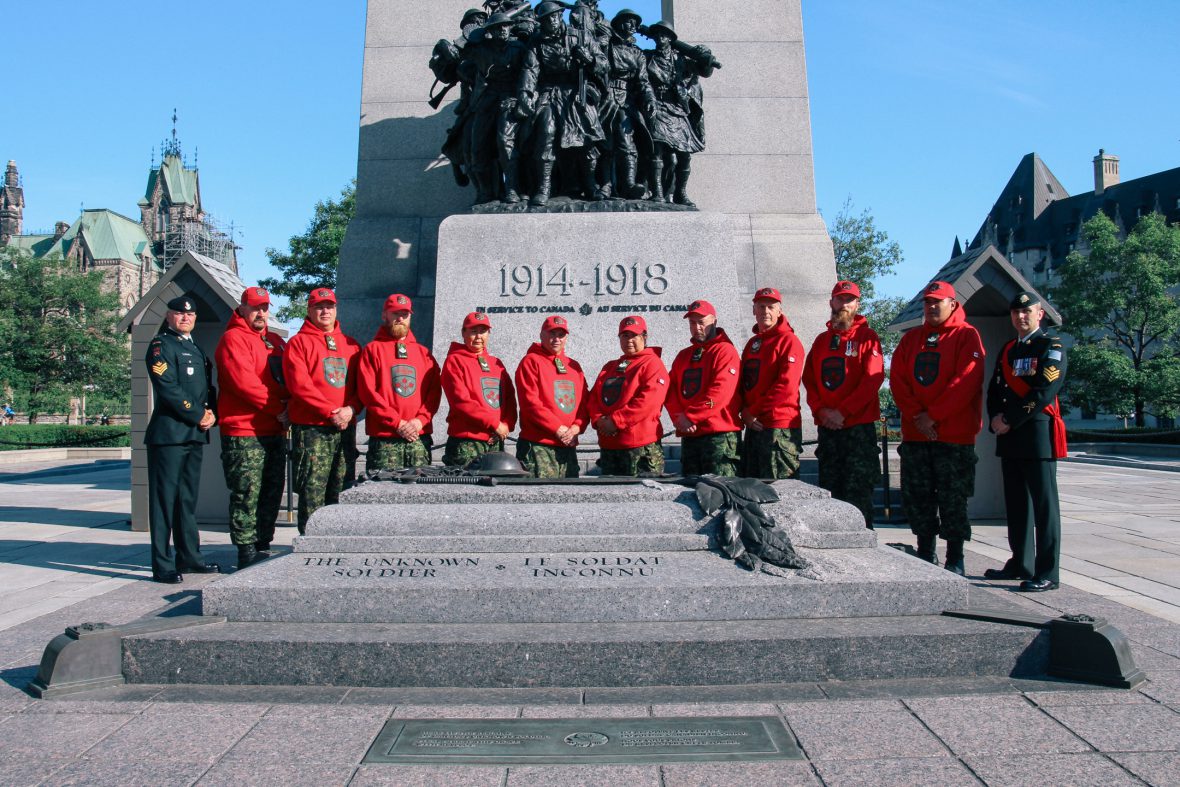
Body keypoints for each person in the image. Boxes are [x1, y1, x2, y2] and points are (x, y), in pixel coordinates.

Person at [891, 281, 985, 575]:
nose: (932, 307)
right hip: (917, 436)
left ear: (953, 304)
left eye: (938, 302)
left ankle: (955, 557)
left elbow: (966, 382)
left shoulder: (967, 336)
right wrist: (919, 416)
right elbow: (898, 381)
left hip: (954, 438)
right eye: (928, 302)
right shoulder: (911, 340)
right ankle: (925, 551)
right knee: (919, 496)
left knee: (952, 499)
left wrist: (933, 416)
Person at [985, 291, 1068, 592]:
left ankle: (1048, 571)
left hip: (1035, 436)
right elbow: (995, 390)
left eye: (1027, 312)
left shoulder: (1051, 346)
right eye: (1016, 313)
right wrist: (995, 418)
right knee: (1017, 505)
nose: (1021, 317)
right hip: (1010, 438)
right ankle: (1021, 562)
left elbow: (1043, 390)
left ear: (1039, 314)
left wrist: (1009, 419)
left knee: (1045, 508)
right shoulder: (1008, 349)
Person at [144, 294, 219, 583]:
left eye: (190, 315)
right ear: (169, 316)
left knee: (186, 500)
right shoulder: (161, 346)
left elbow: (206, 389)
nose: (185, 318)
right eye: (179, 313)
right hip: (169, 435)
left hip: (194, 434)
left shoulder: (196, 349)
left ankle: (189, 558)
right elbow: (168, 389)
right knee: (164, 502)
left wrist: (212, 414)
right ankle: (162, 564)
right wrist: (198, 414)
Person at [214, 286, 289, 570]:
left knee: (272, 492)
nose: (261, 313)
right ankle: (245, 553)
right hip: (244, 432)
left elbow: (288, 380)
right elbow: (244, 385)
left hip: (274, 430)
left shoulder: (274, 341)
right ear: (242, 309)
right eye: (255, 307)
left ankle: (263, 547)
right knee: (247, 494)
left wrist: (292, 406)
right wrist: (279, 409)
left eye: (265, 308)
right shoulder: (233, 339)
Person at [802, 281, 885, 527]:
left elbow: (872, 380)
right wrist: (821, 411)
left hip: (857, 430)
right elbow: (809, 380)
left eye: (849, 300)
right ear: (831, 303)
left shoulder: (868, 338)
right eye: (840, 299)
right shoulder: (820, 341)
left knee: (858, 495)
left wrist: (843, 412)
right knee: (831, 491)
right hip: (828, 431)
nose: (844, 305)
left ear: (857, 304)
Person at [282, 288, 363, 534]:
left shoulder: (351, 345)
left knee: (341, 488)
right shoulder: (298, 343)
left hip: (344, 428)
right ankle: (310, 543)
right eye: (319, 307)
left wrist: (351, 409)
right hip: (313, 431)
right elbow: (300, 385)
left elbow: (361, 386)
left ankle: (337, 542)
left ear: (336, 309)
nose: (325, 311)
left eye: (329, 306)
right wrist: (331, 412)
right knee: (312, 490)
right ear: (309, 310)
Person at [517, 1, 608, 206]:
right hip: (550, 92)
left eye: (556, 16)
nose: (553, 20)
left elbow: (603, 64)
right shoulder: (536, 42)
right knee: (545, 132)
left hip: (577, 91)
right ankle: (544, 188)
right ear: (542, 22)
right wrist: (525, 92)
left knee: (587, 138)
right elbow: (530, 70)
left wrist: (589, 60)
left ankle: (591, 184)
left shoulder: (581, 36)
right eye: (548, 18)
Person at [357, 294, 441, 472]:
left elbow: (433, 392)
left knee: (422, 496)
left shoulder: (424, 353)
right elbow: (368, 393)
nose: (400, 318)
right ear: (384, 315)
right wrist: (397, 423)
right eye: (395, 313)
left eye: (405, 314)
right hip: (385, 440)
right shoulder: (372, 350)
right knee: (381, 495)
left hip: (418, 439)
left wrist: (421, 421)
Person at [642, 20, 715, 206]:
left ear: (671, 39)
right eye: (658, 34)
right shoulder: (647, 57)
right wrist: (649, 99)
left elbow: (704, 71)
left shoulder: (680, 60)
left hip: (677, 109)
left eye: (665, 35)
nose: (661, 38)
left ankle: (680, 193)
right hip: (657, 106)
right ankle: (657, 192)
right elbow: (643, 81)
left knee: (684, 156)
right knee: (656, 150)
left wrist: (705, 56)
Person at [665, 299, 742, 476]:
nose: (697, 327)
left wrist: (691, 416)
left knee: (722, 493)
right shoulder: (683, 355)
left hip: (719, 437)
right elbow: (670, 391)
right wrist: (679, 418)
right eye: (692, 323)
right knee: (689, 492)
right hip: (690, 436)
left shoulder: (725, 351)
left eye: (701, 322)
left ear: (714, 321)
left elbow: (721, 391)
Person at [459, 12, 530, 203]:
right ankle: (486, 192)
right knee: (477, 147)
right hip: (487, 99)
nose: (503, 30)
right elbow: (458, 52)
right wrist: (475, 34)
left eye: (506, 26)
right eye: (499, 27)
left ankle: (512, 189)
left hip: (510, 96)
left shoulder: (518, 48)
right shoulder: (480, 49)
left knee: (505, 143)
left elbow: (531, 72)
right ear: (490, 31)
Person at [588, 315, 668, 475]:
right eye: (625, 336)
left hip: (640, 449)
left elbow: (648, 402)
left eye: (634, 335)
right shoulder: (610, 366)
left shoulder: (653, 364)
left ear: (644, 337)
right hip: (610, 447)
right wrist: (599, 420)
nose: (629, 340)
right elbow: (593, 397)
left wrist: (616, 421)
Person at [739, 287, 805, 480]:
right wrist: (744, 411)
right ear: (754, 310)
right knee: (752, 490)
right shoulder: (752, 344)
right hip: (754, 426)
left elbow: (786, 386)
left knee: (780, 493)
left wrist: (753, 411)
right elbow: (744, 383)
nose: (765, 311)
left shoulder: (789, 341)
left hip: (779, 429)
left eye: (770, 307)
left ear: (779, 311)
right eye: (761, 306)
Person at [514, 315, 588, 477]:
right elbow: (530, 403)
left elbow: (584, 402)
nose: (556, 339)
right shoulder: (530, 361)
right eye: (551, 334)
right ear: (542, 335)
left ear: (566, 337)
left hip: (568, 447)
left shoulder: (574, 366)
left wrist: (576, 427)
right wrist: (558, 428)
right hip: (538, 448)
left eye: (561, 335)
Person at [441, 312, 517, 466]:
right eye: (473, 331)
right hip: (467, 443)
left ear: (489, 333)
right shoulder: (454, 361)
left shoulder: (496, 363)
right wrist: (495, 424)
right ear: (463, 332)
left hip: (495, 441)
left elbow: (509, 397)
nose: (478, 337)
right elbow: (461, 402)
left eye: (482, 331)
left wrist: (506, 426)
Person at [599, 9, 655, 200]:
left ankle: (629, 184)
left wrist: (649, 99)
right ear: (619, 23)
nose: (632, 26)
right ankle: (605, 185)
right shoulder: (606, 45)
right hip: (605, 96)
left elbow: (643, 81)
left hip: (626, 100)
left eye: (634, 22)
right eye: (628, 21)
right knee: (604, 142)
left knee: (626, 140)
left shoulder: (637, 53)